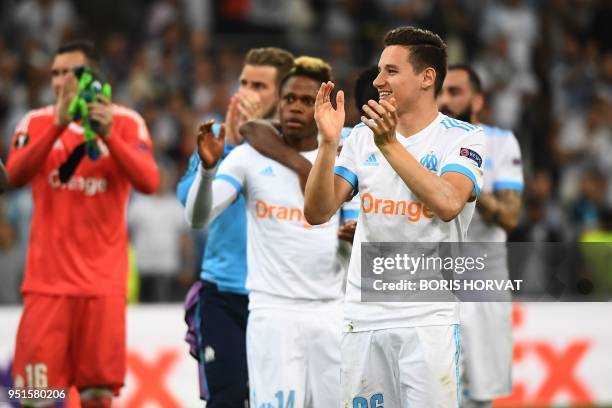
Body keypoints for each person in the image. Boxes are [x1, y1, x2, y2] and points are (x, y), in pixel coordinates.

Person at [304, 26, 486, 406]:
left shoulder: (463, 139)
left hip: (428, 318)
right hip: (363, 316)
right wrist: (327, 143)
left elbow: (449, 201)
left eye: (390, 71)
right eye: (379, 70)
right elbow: (318, 211)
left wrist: (388, 145)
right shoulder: (359, 138)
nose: (378, 80)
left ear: (426, 77)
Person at [6, 40, 159, 407]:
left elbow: (149, 182)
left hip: (101, 288)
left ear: (92, 77)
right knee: (34, 398)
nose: (59, 81)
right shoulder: (36, 121)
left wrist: (107, 136)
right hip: (46, 288)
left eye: (68, 72)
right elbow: (14, 175)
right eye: (55, 73)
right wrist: (58, 125)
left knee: (97, 398)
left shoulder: (126, 123)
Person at [186, 56, 344, 407]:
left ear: (324, 107)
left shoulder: (343, 153)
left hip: (333, 311)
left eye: (307, 100)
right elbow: (198, 218)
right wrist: (208, 171)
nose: (296, 107)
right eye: (290, 99)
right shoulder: (247, 159)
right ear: (279, 102)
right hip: (274, 313)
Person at [177, 47, 294, 406]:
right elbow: (187, 200)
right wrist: (228, 146)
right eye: (244, 82)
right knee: (226, 398)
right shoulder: (221, 137)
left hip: (280, 295)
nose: (246, 93)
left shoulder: (301, 145)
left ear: (283, 94)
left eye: (259, 86)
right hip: (223, 294)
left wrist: (261, 140)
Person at [437, 64, 523, 408]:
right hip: (433, 281)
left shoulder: (500, 142)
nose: (445, 100)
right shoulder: (423, 141)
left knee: (479, 395)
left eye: (455, 91)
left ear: (478, 99)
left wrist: (468, 186)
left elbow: (511, 217)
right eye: (440, 91)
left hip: (483, 281)